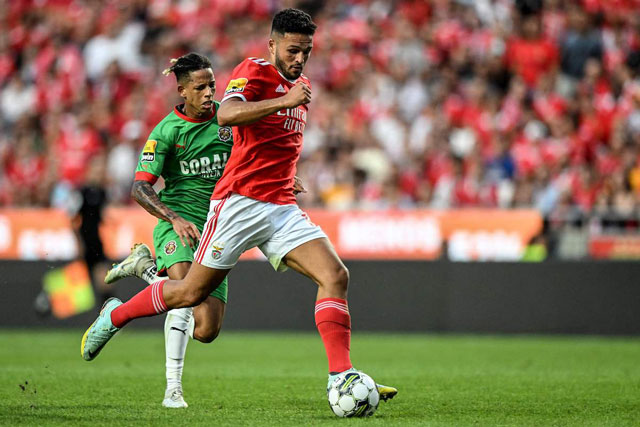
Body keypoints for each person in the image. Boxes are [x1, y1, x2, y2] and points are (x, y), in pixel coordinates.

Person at [81, 8, 397, 403]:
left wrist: (286, 175)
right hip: (238, 204)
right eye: (293, 50)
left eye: (307, 51)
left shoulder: (301, 86)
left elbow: (269, 144)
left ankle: (341, 376)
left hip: (280, 207)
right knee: (189, 295)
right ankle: (116, 315)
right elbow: (228, 114)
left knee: (335, 275)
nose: (300, 59)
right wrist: (284, 100)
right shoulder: (256, 71)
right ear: (272, 45)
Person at [103, 52, 307, 408]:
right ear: (182, 91)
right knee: (184, 294)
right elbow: (139, 187)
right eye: (200, 87)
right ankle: (173, 390)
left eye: (212, 84)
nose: (210, 92)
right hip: (179, 224)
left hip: (218, 225)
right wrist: (173, 219)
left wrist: (282, 178)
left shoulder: (230, 119)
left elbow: (251, 157)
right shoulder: (167, 131)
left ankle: (146, 270)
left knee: (206, 330)